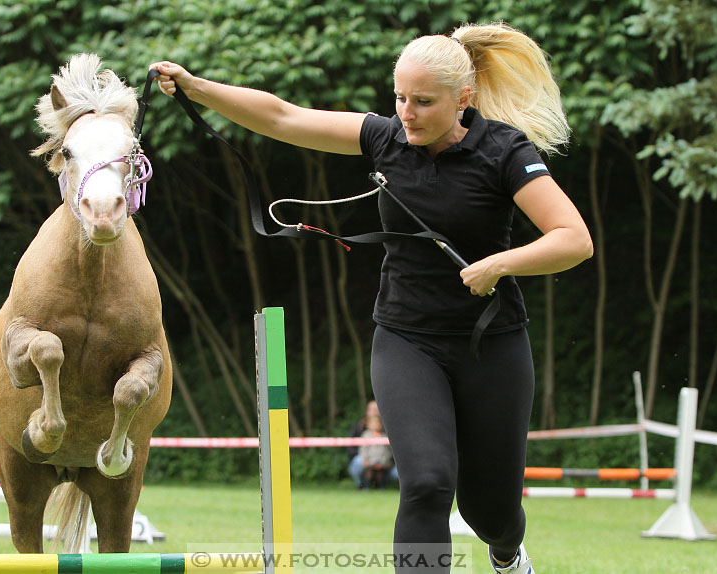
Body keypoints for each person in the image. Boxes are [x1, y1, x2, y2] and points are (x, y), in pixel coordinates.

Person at [151, 20, 592, 574]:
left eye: (423, 102)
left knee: (492, 512)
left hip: (492, 344)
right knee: (428, 484)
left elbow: (573, 240)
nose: (407, 112)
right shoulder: (385, 138)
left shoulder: (504, 151)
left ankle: (508, 556)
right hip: (407, 339)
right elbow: (284, 117)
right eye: (400, 97)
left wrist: (500, 264)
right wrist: (198, 88)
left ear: (464, 99)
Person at [347, 400, 398, 488]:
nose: (374, 411)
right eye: (372, 409)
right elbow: (356, 448)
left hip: (384, 462)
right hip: (368, 461)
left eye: (376, 409)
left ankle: (382, 486)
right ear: (367, 411)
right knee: (359, 463)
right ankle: (362, 486)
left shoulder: (388, 429)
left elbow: (390, 449)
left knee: (389, 473)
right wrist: (367, 461)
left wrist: (389, 462)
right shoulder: (360, 428)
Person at [359, 414, 394, 489]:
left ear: (381, 425)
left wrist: (386, 461)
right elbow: (363, 449)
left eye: (378, 423)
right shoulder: (366, 435)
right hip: (370, 461)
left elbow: (387, 450)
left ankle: (381, 487)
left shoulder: (384, 436)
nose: (376, 425)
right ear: (368, 425)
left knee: (380, 476)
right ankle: (365, 487)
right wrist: (365, 459)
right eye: (373, 423)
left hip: (381, 462)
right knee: (368, 474)